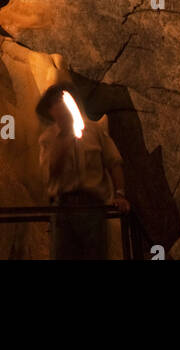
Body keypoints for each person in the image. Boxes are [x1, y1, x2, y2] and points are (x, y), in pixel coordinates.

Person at [37, 84, 129, 260]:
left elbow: (114, 162)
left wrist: (120, 193)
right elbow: (50, 173)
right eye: (55, 104)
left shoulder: (94, 131)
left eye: (62, 101)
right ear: (50, 111)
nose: (60, 107)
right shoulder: (48, 139)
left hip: (92, 207)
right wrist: (65, 139)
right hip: (63, 209)